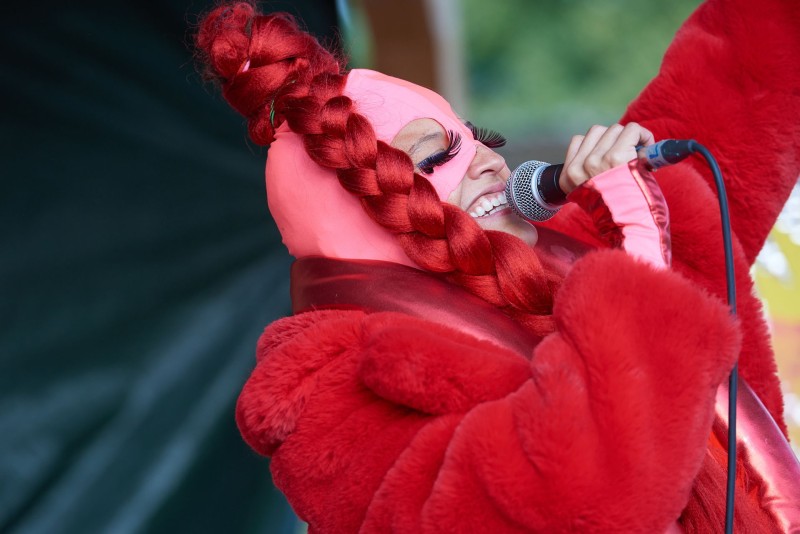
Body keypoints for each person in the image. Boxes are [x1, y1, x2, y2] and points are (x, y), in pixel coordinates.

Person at [194, 1, 800, 532]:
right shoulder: (336, 401)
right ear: (361, 220)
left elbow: (741, 81)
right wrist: (640, 265)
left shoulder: (585, 245)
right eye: (434, 157)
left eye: (475, 135)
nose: (488, 159)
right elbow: (576, 502)